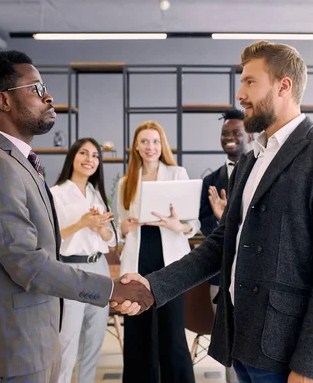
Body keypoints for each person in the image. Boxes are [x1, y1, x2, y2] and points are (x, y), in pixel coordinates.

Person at [122, 41, 313, 383]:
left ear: (284, 85)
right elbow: (222, 243)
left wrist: (309, 365)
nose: (241, 94)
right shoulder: (251, 160)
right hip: (240, 340)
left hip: (285, 352)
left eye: (250, 81)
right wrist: (152, 285)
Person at [0, 50, 153, 383]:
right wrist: (111, 290)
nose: (48, 97)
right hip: (10, 350)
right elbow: (28, 264)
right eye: (35, 88)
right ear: (3, 100)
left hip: (35, 339)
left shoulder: (17, 161)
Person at [116, 120, 200, 383]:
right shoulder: (125, 182)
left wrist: (179, 225)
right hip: (137, 260)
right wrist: (124, 227)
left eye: (154, 141)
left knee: (172, 333)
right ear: (136, 147)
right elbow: (121, 224)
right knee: (138, 331)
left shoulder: (177, 174)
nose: (150, 147)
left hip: (169, 263)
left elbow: (193, 223)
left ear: (161, 145)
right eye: (144, 142)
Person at [50, 138, 118, 383]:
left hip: (98, 267)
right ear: (73, 158)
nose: (90, 159)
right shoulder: (55, 194)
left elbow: (111, 240)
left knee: (94, 337)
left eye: (95, 156)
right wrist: (81, 224)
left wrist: (100, 229)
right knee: (68, 339)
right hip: (70, 268)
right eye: (84, 153)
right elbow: (49, 238)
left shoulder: (96, 195)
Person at [198, 109, 252, 383]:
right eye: (225, 134)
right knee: (228, 346)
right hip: (220, 277)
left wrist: (232, 221)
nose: (229, 138)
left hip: (254, 276)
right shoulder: (209, 181)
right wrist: (223, 222)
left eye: (236, 133)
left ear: (249, 135)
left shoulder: (260, 173)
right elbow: (204, 224)